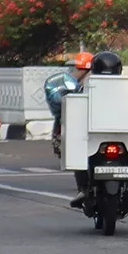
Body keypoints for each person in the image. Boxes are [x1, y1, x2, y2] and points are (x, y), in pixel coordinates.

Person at [44, 52, 94, 206]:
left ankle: (83, 188)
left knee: (78, 151)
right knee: (78, 151)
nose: (73, 72)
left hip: (96, 127)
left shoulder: (95, 84)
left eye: (76, 68)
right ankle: (84, 188)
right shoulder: (74, 87)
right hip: (87, 126)